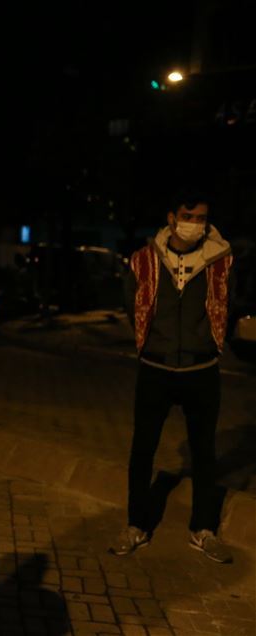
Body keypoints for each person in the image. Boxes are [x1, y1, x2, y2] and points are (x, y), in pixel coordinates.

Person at [110, 188, 234, 564]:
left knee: (204, 452)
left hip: (201, 370)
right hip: (156, 368)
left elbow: (231, 302)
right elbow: (132, 301)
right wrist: (152, 342)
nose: (194, 224)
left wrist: (208, 342)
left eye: (201, 218)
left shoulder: (220, 259)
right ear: (171, 217)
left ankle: (203, 530)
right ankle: (136, 525)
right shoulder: (144, 259)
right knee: (142, 449)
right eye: (188, 216)